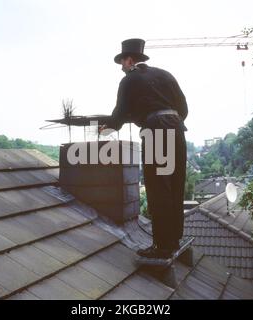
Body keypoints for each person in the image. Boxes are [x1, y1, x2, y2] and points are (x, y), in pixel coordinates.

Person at [99, 38, 188, 260]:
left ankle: (162, 246)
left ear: (129, 60)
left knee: (159, 188)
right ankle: (173, 240)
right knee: (175, 185)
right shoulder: (166, 75)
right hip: (177, 130)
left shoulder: (129, 80)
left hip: (156, 131)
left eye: (122, 63)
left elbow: (119, 113)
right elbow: (184, 108)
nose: (121, 67)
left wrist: (107, 128)